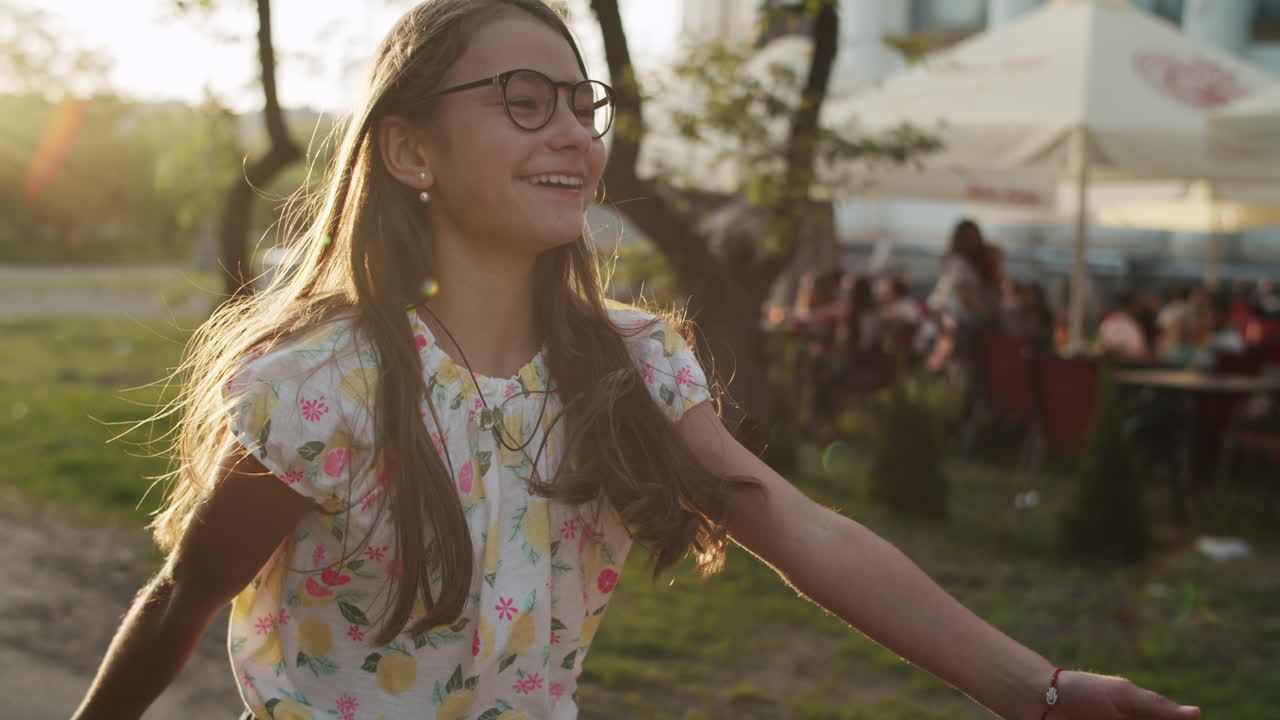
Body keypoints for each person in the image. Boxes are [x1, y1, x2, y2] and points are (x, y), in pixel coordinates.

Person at [71, 3, 1201, 720]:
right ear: (409, 147)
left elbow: (800, 529)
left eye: (583, 102)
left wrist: (1040, 695)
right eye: (523, 102)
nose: (573, 131)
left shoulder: (630, 366)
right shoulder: (325, 388)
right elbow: (185, 594)